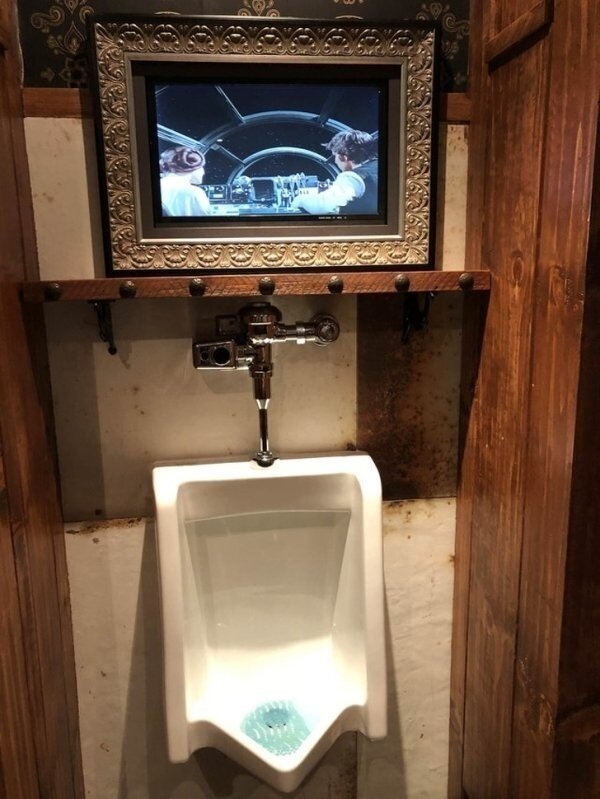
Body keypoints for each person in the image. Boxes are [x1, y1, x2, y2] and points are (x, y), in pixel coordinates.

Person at [291, 130, 378, 215]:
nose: (335, 161)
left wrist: (299, 200)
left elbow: (321, 206)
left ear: (344, 157)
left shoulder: (352, 177)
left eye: (335, 156)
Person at [159, 146, 211, 216]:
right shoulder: (194, 192)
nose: (203, 172)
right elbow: (205, 221)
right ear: (193, 166)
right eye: (202, 167)